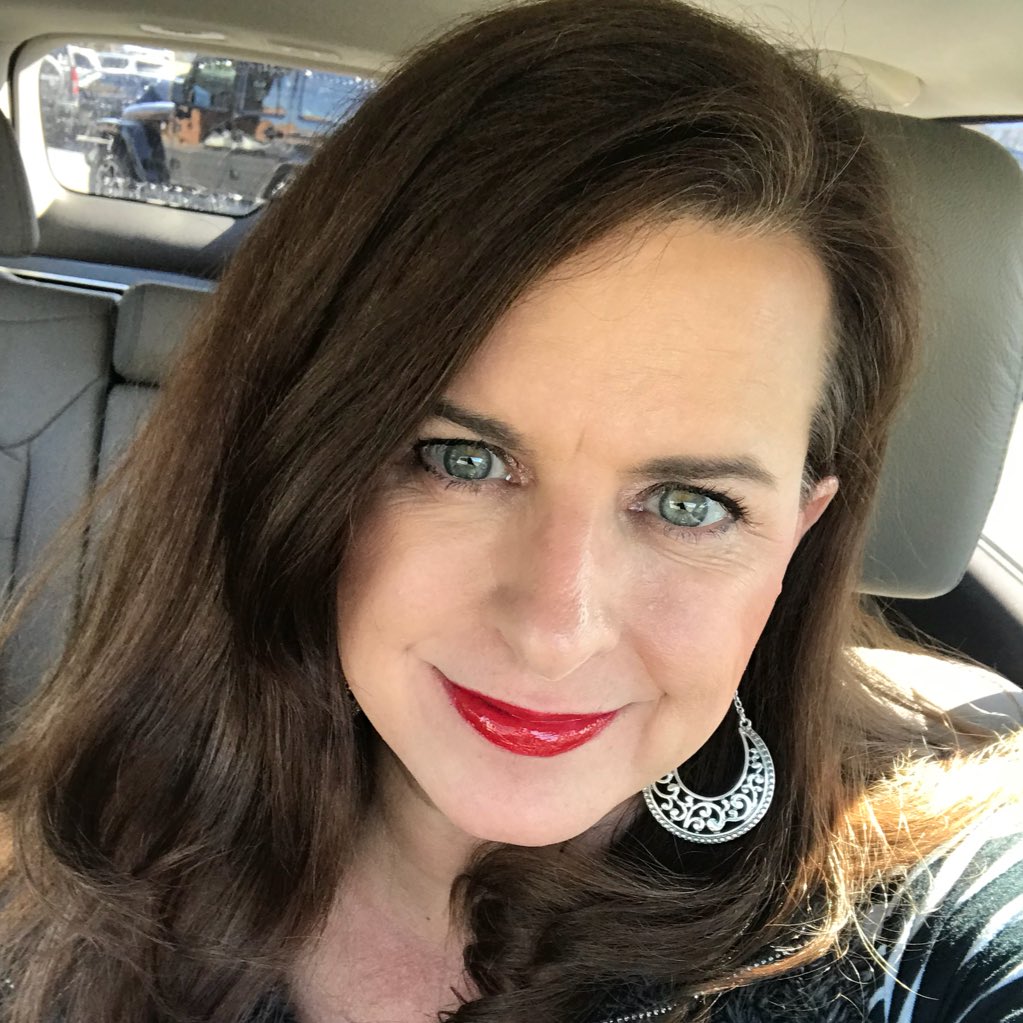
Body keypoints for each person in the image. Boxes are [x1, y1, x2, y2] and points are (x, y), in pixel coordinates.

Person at [1, 0, 1022, 1020]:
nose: (551, 632)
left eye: (689, 503)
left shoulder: (934, 911)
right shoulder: (67, 864)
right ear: (300, 460)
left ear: (797, 533)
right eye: (462, 459)